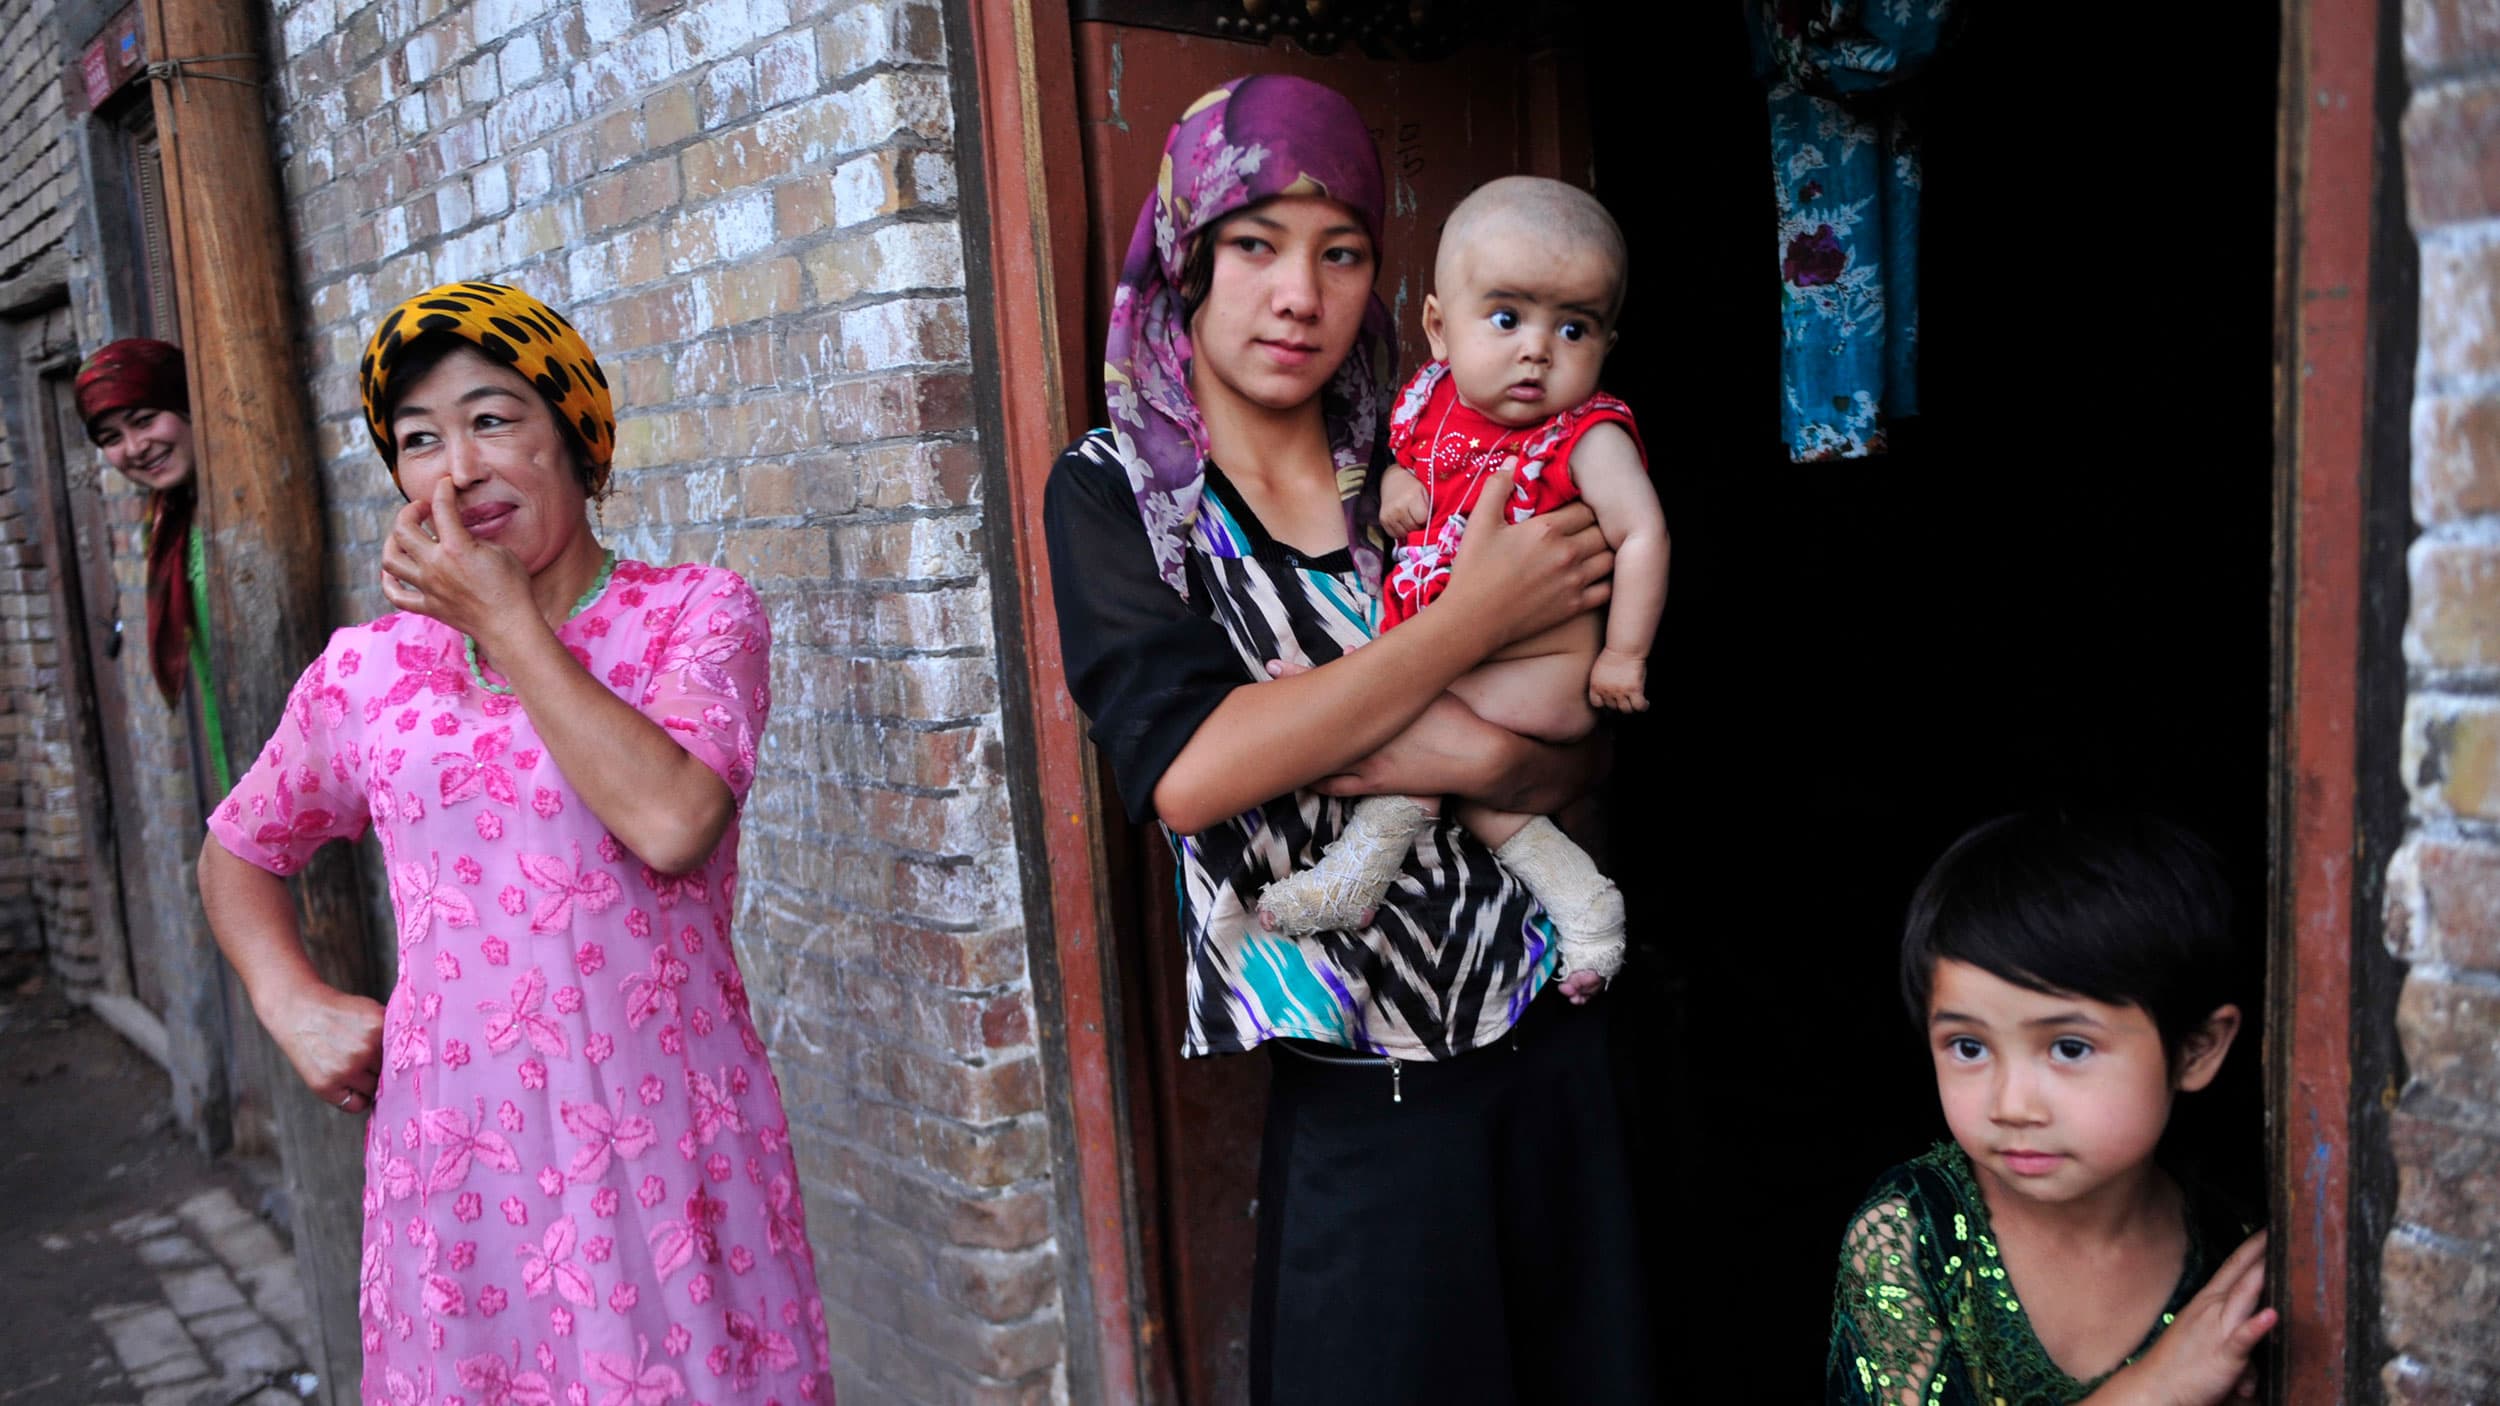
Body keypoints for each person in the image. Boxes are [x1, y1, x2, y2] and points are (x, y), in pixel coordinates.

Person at [1044, 76, 1655, 1404]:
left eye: (1342, 253)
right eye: (1255, 246)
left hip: (1548, 1035)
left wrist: (1476, 760)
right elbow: (1195, 769)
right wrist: (1470, 621)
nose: (1298, 295)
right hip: (1363, 1093)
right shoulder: (1126, 493)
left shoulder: (1430, 441)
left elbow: (1577, 741)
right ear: (1188, 259)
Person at [196, 282, 830, 1402]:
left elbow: (674, 820)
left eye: (494, 420)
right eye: (420, 440)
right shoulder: (367, 672)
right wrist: (289, 997)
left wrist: (504, 621)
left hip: (660, 1143)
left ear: (578, 442)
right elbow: (238, 848)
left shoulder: (694, 615)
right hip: (459, 1165)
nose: (457, 468)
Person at [1252, 177, 1669, 993]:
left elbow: (1644, 530)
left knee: (1391, 719)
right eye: (1507, 318)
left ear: (1607, 343)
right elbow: (1412, 465)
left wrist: (1624, 652)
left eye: (1574, 328)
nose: (1536, 350)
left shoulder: (1585, 435)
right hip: (1464, 654)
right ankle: (1587, 906)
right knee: (1479, 793)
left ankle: (1353, 870)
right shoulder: (1430, 403)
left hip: (1537, 674)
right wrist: (1402, 481)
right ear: (1439, 328)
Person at [1828, 811, 2274, 1405]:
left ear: (2196, 1050)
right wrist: (2157, 1388)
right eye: (1969, 1047)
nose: (2011, 1105)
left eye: (2069, 1047)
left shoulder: (2235, 1267)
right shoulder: (1913, 1234)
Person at [75, 337, 231, 794]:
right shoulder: (168, 523)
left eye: (144, 420)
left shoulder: (247, 502)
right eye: (111, 438)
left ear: (186, 402)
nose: (135, 447)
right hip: (240, 754)